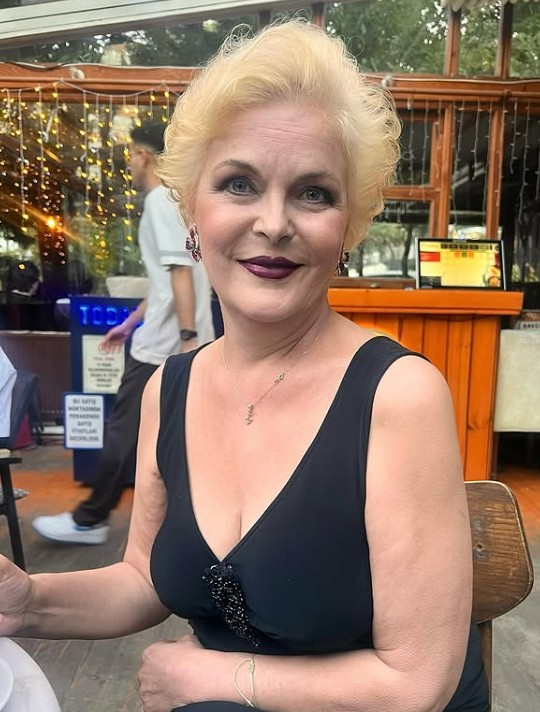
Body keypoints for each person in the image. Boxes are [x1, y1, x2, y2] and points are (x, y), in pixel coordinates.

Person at [0, 20, 488, 712]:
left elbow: (418, 683)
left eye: (314, 193)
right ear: (191, 214)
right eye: (239, 184)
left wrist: (212, 679)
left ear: (347, 229)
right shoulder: (171, 388)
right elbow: (143, 579)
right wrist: (28, 602)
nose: (275, 223)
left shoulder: (397, 396)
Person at [32, 120, 215, 545]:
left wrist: (187, 338)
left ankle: (89, 520)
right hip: (172, 342)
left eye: (130, 154)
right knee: (176, 435)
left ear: (143, 155)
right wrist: (129, 324)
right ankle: (192, 526)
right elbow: (165, 285)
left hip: (163, 348)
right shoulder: (181, 204)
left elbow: (180, 274)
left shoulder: (161, 201)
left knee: (124, 431)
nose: (128, 163)